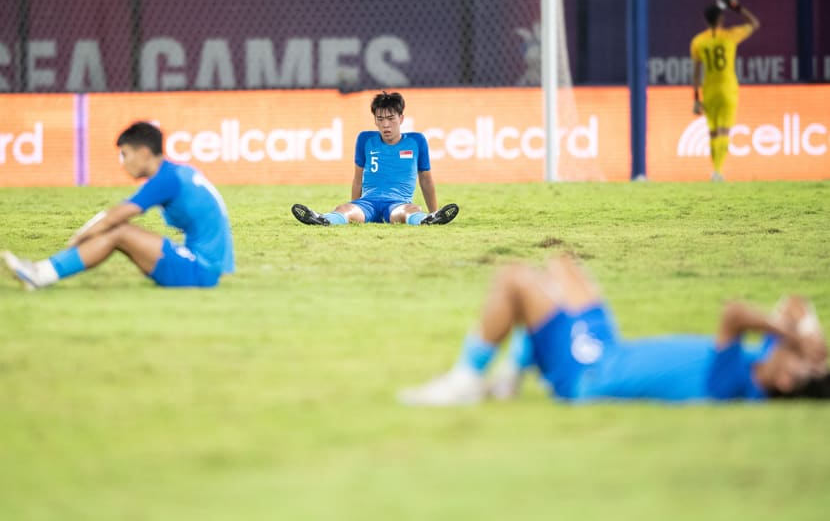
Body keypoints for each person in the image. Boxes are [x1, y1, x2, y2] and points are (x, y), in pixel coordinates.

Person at [399, 255, 829, 406]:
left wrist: (794, 337)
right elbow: (795, 305)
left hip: (589, 375)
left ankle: (464, 381)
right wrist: (810, 338)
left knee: (516, 280)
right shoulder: (765, 364)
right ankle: (511, 377)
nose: (785, 347)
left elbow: (734, 314)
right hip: (610, 349)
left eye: (794, 356)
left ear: (788, 380)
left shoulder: (736, 384)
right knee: (563, 266)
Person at [2, 122, 235, 290]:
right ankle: (41, 273)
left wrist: (80, 237)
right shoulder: (175, 173)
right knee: (117, 231)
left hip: (200, 272)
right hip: (203, 267)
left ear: (144, 153)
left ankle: (41, 274)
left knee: (119, 230)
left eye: (125, 155)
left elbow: (117, 215)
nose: (123, 163)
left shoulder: (166, 179)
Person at [291, 91, 459, 226]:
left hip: (397, 204)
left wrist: (434, 211)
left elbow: (426, 180)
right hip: (367, 204)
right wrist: (355, 204)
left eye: (391, 118)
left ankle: (428, 219)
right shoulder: (365, 139)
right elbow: (357, 179)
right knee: (344, 209)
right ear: (375, 121)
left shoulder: (417, 141)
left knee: (410, 210)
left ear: (401, 118)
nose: (386, 124)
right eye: (380, 119)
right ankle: (323, 219)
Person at [690, 0, 760, 182]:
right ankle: (718, 171)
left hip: (709, 89)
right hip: (728, 88)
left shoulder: (698, 41)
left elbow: (696, 73)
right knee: (724, 131)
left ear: (705, 20)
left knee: (713, 132)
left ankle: (715, 170)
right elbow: (754, 23)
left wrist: (696, 99)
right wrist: (736, 7)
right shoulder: (730, 36)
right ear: (721, 18)